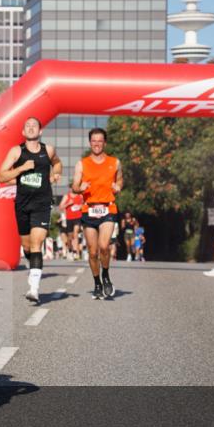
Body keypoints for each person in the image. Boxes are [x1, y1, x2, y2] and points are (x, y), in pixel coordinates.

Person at [0, 117, 62, 303]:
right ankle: (32, 265)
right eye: (28, 126)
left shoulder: (48, 150)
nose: (31, 127)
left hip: (42, 204)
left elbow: (57, 163)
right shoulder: (16, 151)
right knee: (27, 246)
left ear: (40, 131)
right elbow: (2, 175)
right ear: (23, 133)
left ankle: (34, 288)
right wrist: (22, 169)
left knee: (37, 243)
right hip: (22, 204)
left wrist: (56, 172)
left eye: (35, 125)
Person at [72, 128, 122, 299]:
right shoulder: (82, 163)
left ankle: (106, 276)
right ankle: (97, 283)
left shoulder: (114, 162)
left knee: (103, 246)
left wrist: (118, 186)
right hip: (89, 209)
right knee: (93, 252)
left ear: (105, 143)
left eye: (100, 141)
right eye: (94, 140)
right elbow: (74, 186)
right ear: (90, 142)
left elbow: (120, 179)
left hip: (108, 208)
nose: (97, 144)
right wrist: (80, 188)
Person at [58, 182, 84, 261]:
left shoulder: (80, 196)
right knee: (70, 237)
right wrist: (68, 204)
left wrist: (81, 207)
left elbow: (85, 205)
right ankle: (70, 250)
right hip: (69, 218)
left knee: (75, 233)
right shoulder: (67, 196)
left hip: (78, 217)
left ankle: (76, 252)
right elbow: (60, 207)